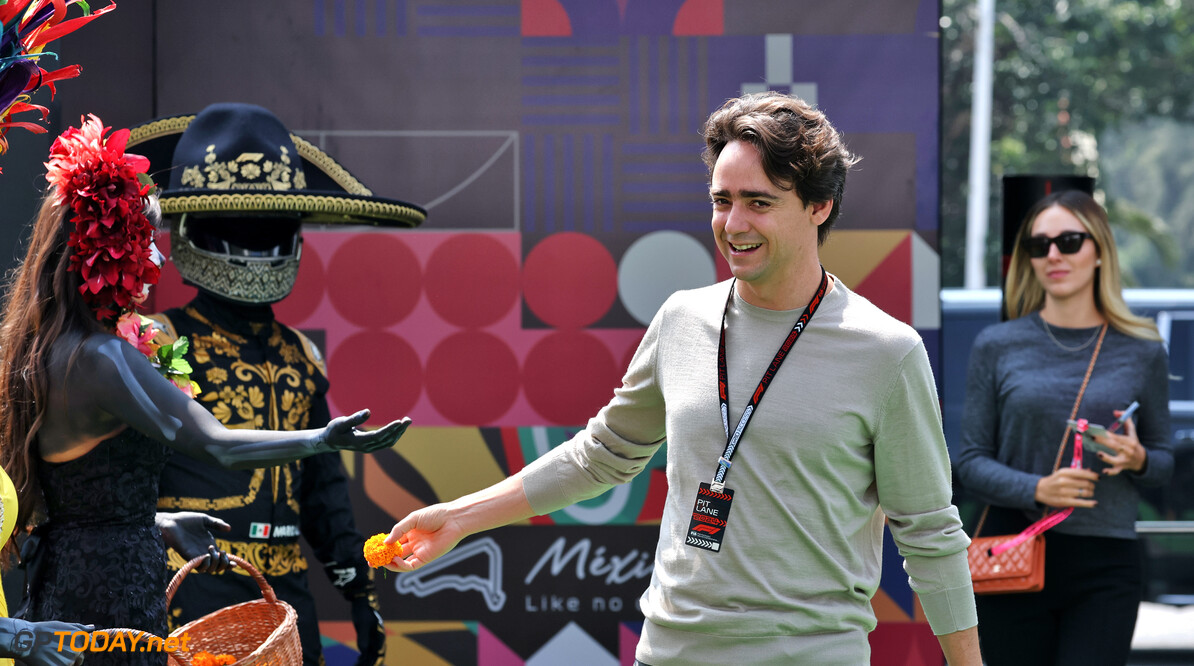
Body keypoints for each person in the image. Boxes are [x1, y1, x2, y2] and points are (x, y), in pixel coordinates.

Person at [381, 91, 981, 665]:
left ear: (819, 207)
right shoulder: (682, 319)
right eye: (723, 200)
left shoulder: (885, 351)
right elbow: (601, 456)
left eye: (760, 202)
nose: (734, 222)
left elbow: (928, 532)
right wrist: (457, 518)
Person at [0, 115, 410, 666]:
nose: (157, 258)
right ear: (110, 250)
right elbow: (215, 443)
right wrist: (325, 438)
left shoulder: (54, 350)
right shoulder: (106, 356)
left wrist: (159, 524)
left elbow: (81, 496)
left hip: (116, 581)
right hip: (115, 598)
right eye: (144, 241)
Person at [125, 102, 425, 666]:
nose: (257, 243)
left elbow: (324, 494)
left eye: (272, 227)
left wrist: (358, 591)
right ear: (190, 230)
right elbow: (117, 479)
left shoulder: (301, 355)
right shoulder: (151, 343)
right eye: (237, 227)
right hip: (191, 584)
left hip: (285, 593)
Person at [955, 189, 1173, 665]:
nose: (1053, 254)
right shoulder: (998, 345)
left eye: (1069, 241)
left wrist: (1138, 459)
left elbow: (1164, 462)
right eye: (1039, 245)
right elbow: (969, 461)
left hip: (1105, 561)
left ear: (1099, 252)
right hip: (1014, 550)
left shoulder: (1142, 351)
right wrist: (1040, 488)